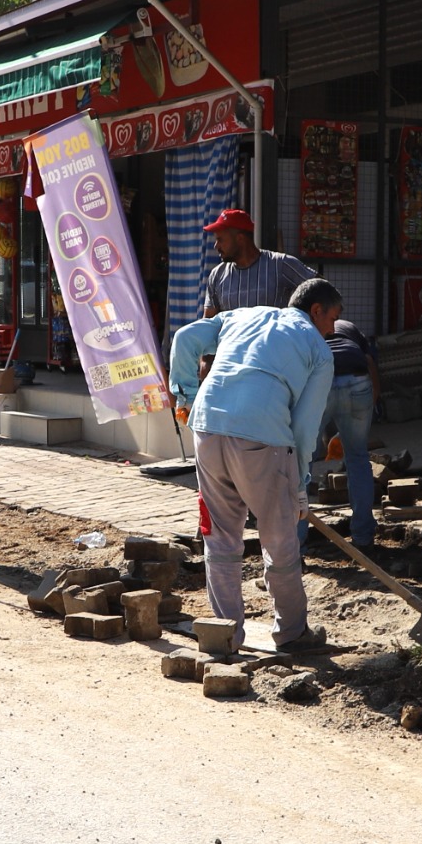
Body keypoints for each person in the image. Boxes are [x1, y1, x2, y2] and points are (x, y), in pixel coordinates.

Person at [168, 277, 340, 654]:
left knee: (220, 539)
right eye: (333, 318)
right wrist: (300, 484)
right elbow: (305, 427)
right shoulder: (319, 351)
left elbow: (184, 338)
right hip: (264, 439)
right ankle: (292, 634)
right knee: (280, 541)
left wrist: (186, 398)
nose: (333, 329)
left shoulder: (242, 316)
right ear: (316, 311)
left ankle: (225, 635)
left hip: (207, 428)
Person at [319, 312, 380, 549]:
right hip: (358, 382)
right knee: (357, 458)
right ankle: (363, 537)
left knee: (300, 462)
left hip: (322, 381)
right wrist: (372, 402)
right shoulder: (350, 328)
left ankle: (295, 547)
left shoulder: (305, 327)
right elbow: (369, 362)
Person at [198, 208, 312, 317]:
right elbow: (208, 322)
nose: (216, 246)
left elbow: (323, 291)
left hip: (271, 337)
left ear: (240, 238)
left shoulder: (280, 264)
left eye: (220, 240)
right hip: (233, 338)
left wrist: (302, 322)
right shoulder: (217, 275)